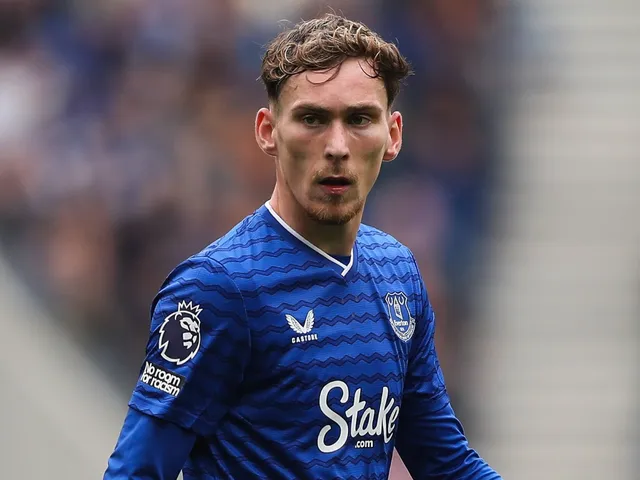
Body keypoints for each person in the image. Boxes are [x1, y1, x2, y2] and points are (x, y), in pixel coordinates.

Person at [104, 13, 501, 479]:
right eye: (312, 119)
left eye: (359, 119)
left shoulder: (397, 273)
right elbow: (135, 472)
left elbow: (447, 464)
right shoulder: (218, 288)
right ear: (267, 131)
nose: (337, 146)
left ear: (393, 135)